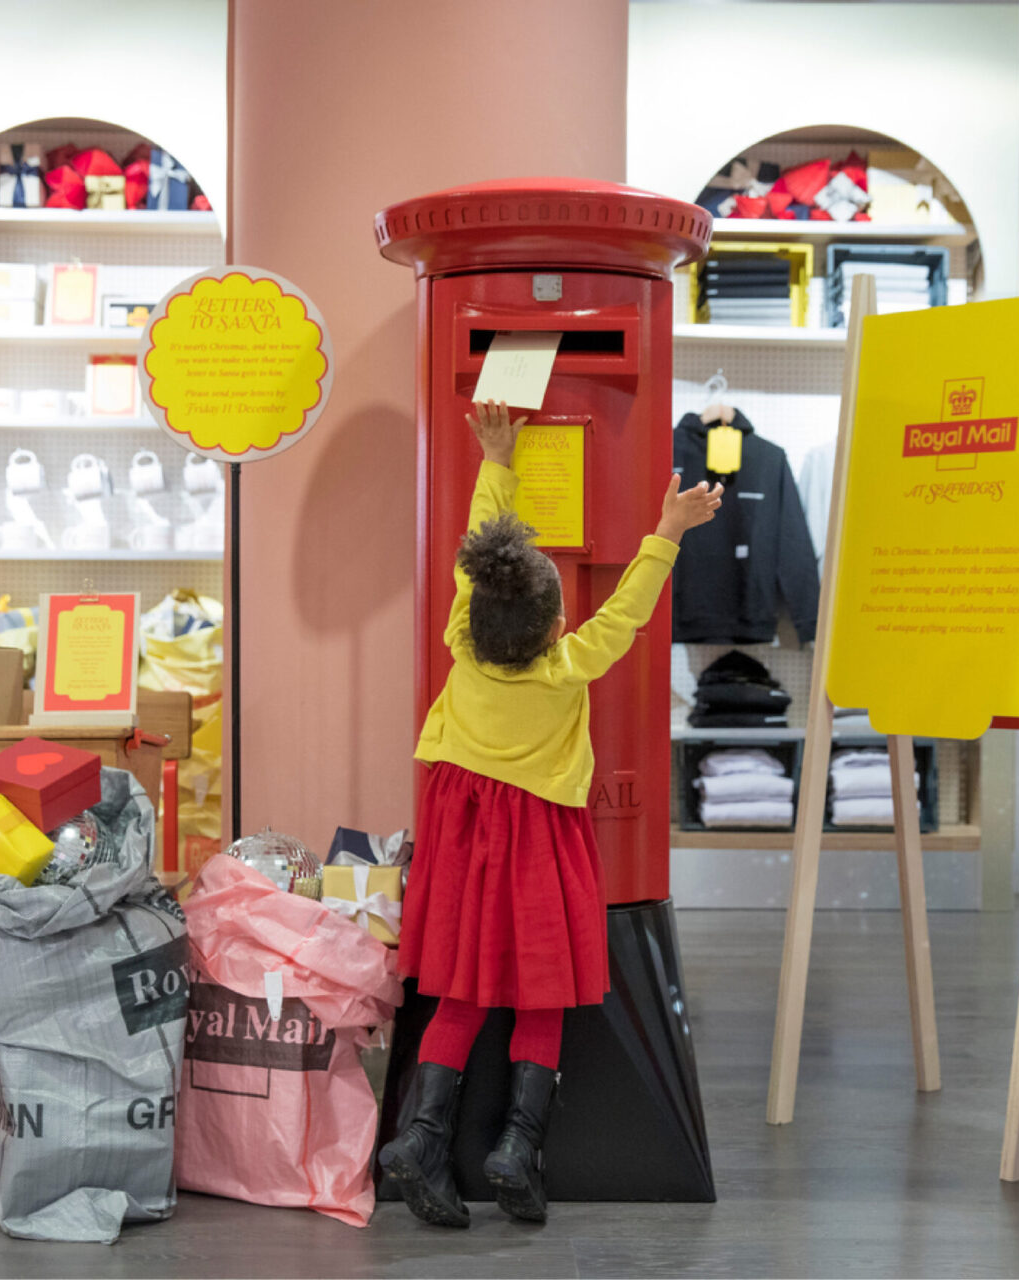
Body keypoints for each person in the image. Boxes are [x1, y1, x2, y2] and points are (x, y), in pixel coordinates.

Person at [379, 400, 722, 1228]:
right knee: (542, 992)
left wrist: (496, 460)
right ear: (557, 627)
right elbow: (628, 613)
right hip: (538, 836)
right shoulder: (568, 665)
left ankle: (421, 1135)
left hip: (462, 831)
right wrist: (667, 530)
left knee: (459, 989)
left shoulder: (462, 639)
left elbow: (475, 556)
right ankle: (517, 1147)